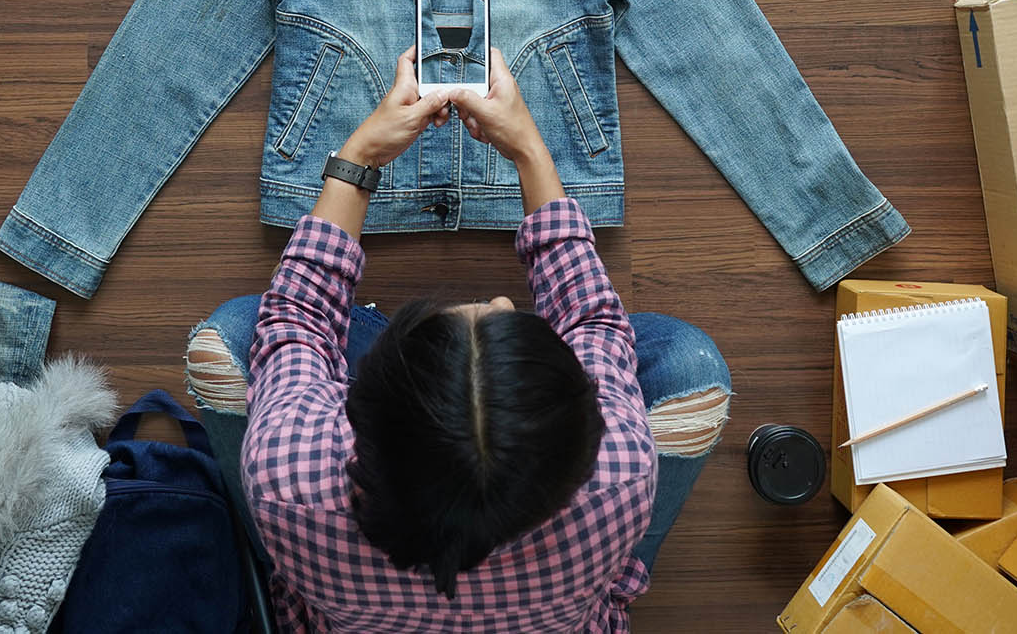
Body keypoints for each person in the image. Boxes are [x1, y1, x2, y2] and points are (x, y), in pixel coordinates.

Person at [186, 46, 732, 632]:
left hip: (317, 559)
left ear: (355, 417)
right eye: (501, 313)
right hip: (584, 559)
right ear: (575, 433)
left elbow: (293, 320)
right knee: (691, 366)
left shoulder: (289, 477)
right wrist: (528, 149)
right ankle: (622, 563)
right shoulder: (618, 473)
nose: (498, 300)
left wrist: (361, 153)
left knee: (235, 333)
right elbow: (593, 323)